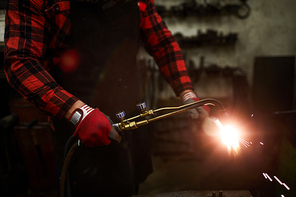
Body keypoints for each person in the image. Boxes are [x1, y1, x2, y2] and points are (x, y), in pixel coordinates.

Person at [4, 0, 210, 196]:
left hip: (133, 114)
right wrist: (78, 113)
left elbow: (162, 43)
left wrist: (187, 92)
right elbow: (20, 62)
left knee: (130, 183)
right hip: (80, 127)